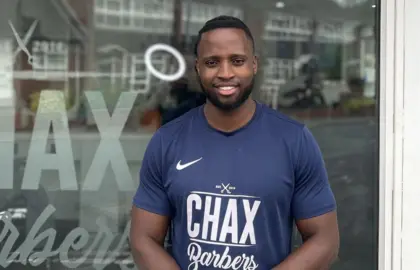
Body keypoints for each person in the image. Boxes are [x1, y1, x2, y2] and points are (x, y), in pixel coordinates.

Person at [130, 15, 339, 270]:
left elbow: (324, 239)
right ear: (198, 68)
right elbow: (144, 239)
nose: (225, 73)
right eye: (212, 62)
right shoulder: (167, 141)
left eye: (237, 61)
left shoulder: (294, 140)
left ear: (254, 64)